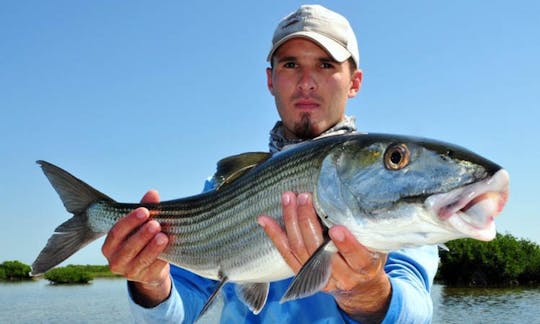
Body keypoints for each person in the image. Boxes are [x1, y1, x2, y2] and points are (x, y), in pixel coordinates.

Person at [102, 5, 439, 323]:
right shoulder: (226, 185)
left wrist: (368, 294)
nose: (307, 81)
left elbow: (416, 307)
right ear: (270, 80)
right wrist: (151, 284)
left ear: (354, 82)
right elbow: (179, 312)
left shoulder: (393, 180)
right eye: (291, 64)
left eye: (326, 64)